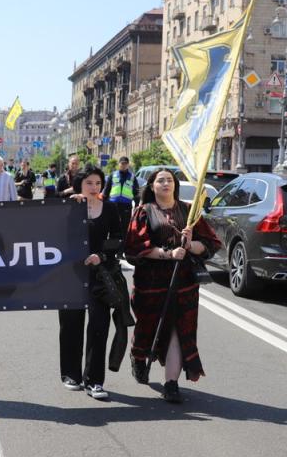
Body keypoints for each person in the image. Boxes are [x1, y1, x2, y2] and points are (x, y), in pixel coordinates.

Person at [124, 168, 221, 403]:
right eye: (160, 180)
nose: (166, 183)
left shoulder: (189, 212)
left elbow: (211, 243)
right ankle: (138, 357)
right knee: (147, 329)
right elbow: (134, 248)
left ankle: (171, 383)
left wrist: (191, 245)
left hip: (183, 283)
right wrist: (168, 254)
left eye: (169, 180)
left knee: (179, 331)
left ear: (175, 185)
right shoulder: (143, 211)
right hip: (151, 283)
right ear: (152, 186)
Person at [57, 166, 123, 400]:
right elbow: (52, 234)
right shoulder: (68, 207)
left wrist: (101, 256)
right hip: (70, 273)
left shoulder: (110, 208)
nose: (94, 188)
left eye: (98, 183)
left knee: (99, 324)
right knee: (71, 323)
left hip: (99, 273)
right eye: (89, 184)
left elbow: (117, 239)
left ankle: (94, 380)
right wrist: (69, 206)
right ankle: (71, 375)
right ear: (79, 186)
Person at [103, 156, 139, 233]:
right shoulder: (113, 175)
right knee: (112, 224)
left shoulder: (132, 177)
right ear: (119, 164)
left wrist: (136, 206)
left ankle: (123, 243)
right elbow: (107, 189)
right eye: (122, 163)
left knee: (125, 226)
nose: (123, 165)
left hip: (126, 205)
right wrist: (104, 202)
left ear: (128, 165)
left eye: (125, 164)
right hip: (113, 204)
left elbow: (136, 193)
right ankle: (112, 242)